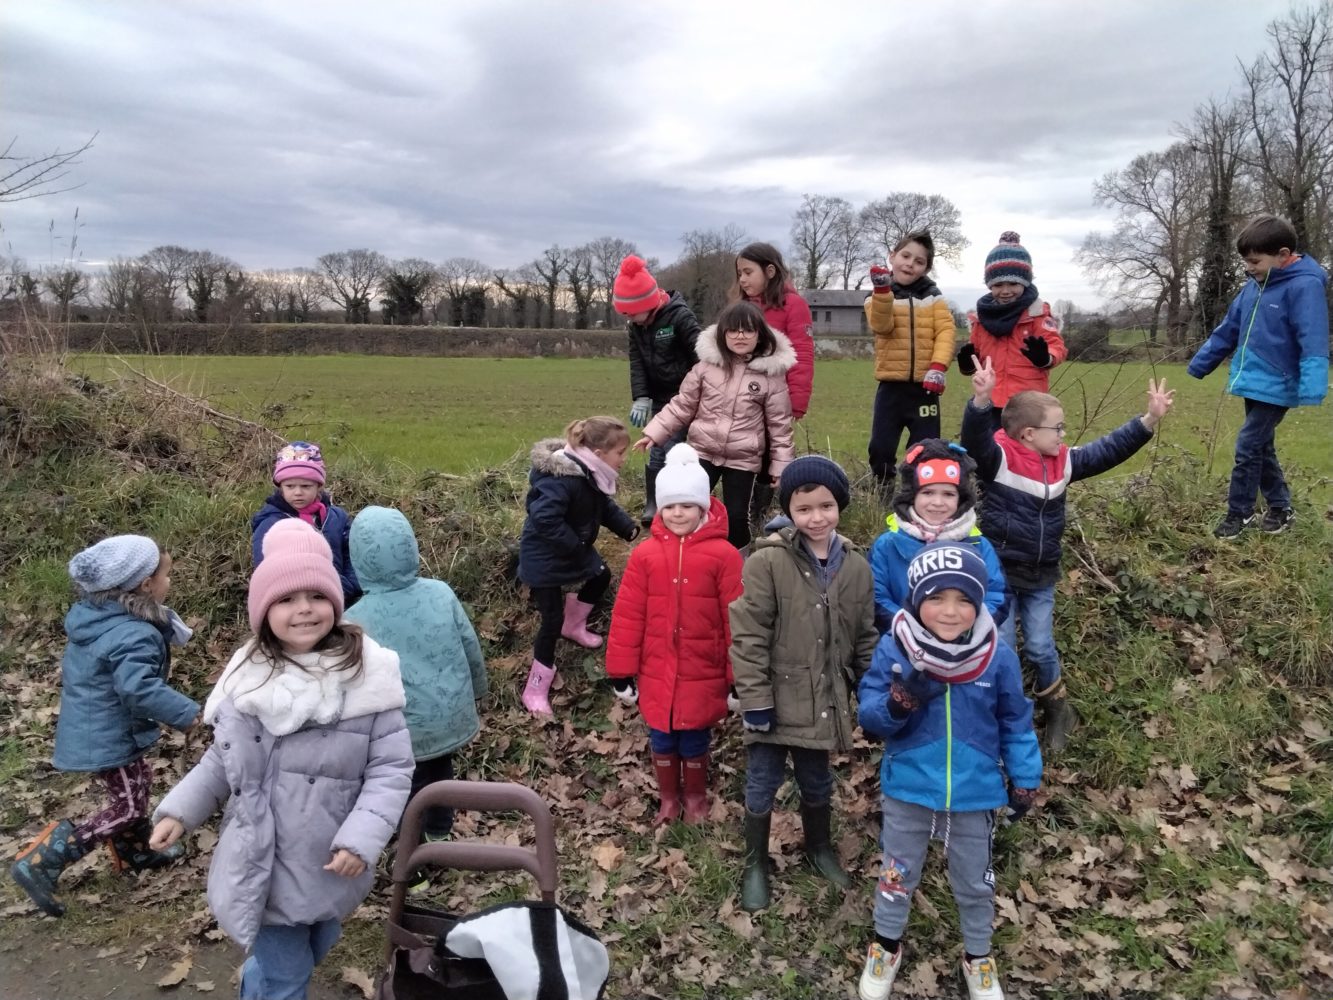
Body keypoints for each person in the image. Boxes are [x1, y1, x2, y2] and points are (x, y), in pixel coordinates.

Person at [149, 520, 413, 1000]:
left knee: (319, 937)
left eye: (316, 595)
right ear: (264, 611)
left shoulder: (368, 677)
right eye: (287, 600)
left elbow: (390, 770)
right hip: (260, 859)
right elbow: (221, 759)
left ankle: (259, 981)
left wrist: (361, 838)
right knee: (288, 974)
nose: (304, 609)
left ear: (334, 601)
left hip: (329, 854)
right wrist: (180, 811)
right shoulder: (250, 679)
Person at [856, 542, 1042, 1000]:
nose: (951, 611)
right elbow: (870, 716)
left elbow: (1015, 720)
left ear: (979, 604)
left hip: (975, 792)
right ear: (917, 600)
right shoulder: (896, 649)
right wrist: (900, 702)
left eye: (964, 599)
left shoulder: (997, 656)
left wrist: (1024, 777)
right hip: (910, 788)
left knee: (974, 881)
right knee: (897, 874)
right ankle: (886, 945)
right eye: (937, 598)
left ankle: (978, 955)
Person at [960, 357, 1174, 751]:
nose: (1063, 433)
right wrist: (981, 400)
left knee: (1040, 646)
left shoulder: (1064, 462)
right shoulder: (999, 460)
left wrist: (1148, 419)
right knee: (1002, 648)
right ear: (1027, 434)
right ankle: (1008, 716)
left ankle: (1058, 709)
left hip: (1041, 575)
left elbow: (1108, 450)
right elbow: (974, 443)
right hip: (999, 574)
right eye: (1056, 428)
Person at [10, 536, 200, 917]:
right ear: (146, 585)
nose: (169, 583)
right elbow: (138, 688)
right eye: (166, 575)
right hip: (108, 735)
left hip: (100, 727)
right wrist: (190, 714)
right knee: (128, 805)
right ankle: (50, 856)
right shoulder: (134, 633)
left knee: (137, 785)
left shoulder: (100, 618)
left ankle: (135, 851)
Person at [729, 456, 878, 912]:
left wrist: (871, 693)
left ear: (840, 506)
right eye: (805, 508)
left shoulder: (856, 567)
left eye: (826, 506)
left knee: (817, 783)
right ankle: (755, 863)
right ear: (790, 512)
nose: (817, 517)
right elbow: (749, 634)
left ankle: (819, 849)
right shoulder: (768, 562)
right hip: (772, 700)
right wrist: (754, 698)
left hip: (824, 699)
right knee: (761, 783)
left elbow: (865, 636)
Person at [605, 444, 744, 827]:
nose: (677, 512)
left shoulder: (724, 556)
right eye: (669, 505)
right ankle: (669, 798)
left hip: (704, 669)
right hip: (657, 670)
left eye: (686, 505)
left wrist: (738, 679)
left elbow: (737, 622)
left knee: (695, 738)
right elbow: (628, 616)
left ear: (703, 506)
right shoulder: (644, 556)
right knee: (663, 737)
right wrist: (621, 671)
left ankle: (695, 797)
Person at [344, 506, 488, 841]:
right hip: (450, 714)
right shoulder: (440, 592)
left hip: (401, 730)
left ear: (358, 560)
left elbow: (350, 682)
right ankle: (439, 835)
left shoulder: (353, 621)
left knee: (403, 790)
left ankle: (412, 859)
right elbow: (470, 645)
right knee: (441, 775)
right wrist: (479, 691)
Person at [1186, 213, 1329, 539]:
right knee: (1261, 447)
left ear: (1282, 255)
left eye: (1255, 261)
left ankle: (1240, 514)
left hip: (1280, 381)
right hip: (1252, 379)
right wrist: (1200, 364)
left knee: (1248, 444)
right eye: (1246, 262)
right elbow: (1228, 330)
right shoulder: (1253, 288)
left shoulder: (1304, 286)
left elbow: (1313, 337)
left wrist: (1312, 386)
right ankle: (1280, 508)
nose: (1249, 268)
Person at [635, 302, 796, 551]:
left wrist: (781, 466)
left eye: (748, 330)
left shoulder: (771, 376)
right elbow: (681, 405)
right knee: (690, 504)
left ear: (760, 335)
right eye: (733, 330)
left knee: (736, 516)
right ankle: (682, 553)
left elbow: (780, 425)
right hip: (703, 451)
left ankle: (737, 563)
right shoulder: (705, 368)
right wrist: (654, 433)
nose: (740, 336)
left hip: (742, 459)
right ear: (722, 334)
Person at [518, 416, 639, 718]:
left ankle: (573, 625)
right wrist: (576, 546)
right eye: (620, 453)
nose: (624, 458)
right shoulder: (563, 478)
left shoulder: (590, 472)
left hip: (573, 547)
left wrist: (627, 528)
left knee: (601, 576)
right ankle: (536, 685)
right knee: (550, 620)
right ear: (599, 454)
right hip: (545, 555)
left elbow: (603, 508)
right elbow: (543, 518)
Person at [869, 439, 1006, 634]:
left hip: (965, 646)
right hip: (901, 644)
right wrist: (912, 630)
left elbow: (996, 594)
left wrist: (966, 630)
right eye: (928, 492)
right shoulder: (887, 545)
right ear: (912, 496)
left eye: (949, 494)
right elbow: (876, 597)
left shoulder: (978, 545)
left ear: (961, 500)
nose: (938, 502)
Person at [614, 253, 703, 526]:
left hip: (685, 398)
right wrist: (641, 396)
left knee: (670, 449)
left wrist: (694, 395)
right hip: (659, 399)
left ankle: (676, 502)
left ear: (649, 303)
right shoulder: (637, 326)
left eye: (631, 313)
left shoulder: (680, 317)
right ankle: (654, 500)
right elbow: (637, 362)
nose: (630, 319)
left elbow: (701, 359)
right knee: (655, 448)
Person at [864, 231, 958, 483]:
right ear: (892, 256)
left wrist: (938, 367)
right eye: (905, 256)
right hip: (891, 389)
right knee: (881, 447)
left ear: (926, 268)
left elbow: (946, 331)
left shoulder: (934, 297)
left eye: (919, 261)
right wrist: (882, 292)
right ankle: (881, 489)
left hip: (925, 388)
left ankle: (918, 493)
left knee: (925, 449)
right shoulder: (876, 296)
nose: (910, 264)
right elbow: (881, 326)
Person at [735, 242, 815, 525]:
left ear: (769, 271)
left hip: (776, 397)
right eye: (739, 274)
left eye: (748, 272)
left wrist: (797, 400)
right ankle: (738, 508)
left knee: (770, 452)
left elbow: (802, 353)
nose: (742, 279)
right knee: (744, 449)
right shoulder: (740, 307)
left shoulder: (794, 305)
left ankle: (758, 513)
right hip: (742, 395)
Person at [956, 232, 1067, 433]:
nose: (1006, 291)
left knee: (1026, 455)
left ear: (1025, 282)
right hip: (990, 400)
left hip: (1028, 404)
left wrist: (1045, 358)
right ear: (989, 285)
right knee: (991, 454)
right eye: (998, 285)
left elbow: (1056, 346)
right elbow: (978, 357)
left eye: (1013, 284)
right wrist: (968, 366)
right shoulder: (981, 319)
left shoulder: (1037, 314)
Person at [251, 440, 360, 606]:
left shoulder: (336, 517)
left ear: (319, 486)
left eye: (306, 486)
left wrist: (349, 586)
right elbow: (267, 568)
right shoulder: (271, 524)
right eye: (290, 486)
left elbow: (352, 554)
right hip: (300, 604)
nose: (298, 492)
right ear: (281, 487)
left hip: (344, 597)